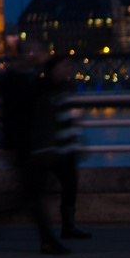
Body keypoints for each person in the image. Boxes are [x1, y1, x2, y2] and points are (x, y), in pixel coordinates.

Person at [0, 38, 69, 255]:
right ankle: (47, 241)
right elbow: (13, 115)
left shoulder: (27, 77)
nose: (38, 54)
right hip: (23, 146)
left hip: (33, 146)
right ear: (26, 54)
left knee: (27, 197)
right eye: (35, 51)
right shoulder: (12, 80)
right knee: (31, 197)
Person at [41, 53, 91, 240]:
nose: (68, 70)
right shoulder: (47, 91)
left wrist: (77, 142)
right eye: (64, 67)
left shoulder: (63, 89)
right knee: (39, 194)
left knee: (70, 186)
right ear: (54, 70)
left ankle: (68, 227)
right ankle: (63, 228)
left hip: (66, 149)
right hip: (54, 151)